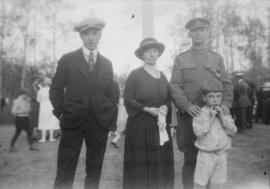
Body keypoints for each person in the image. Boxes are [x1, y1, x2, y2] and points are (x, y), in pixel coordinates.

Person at [49, 17, 118, 189]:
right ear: (81, 36)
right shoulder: (68, 59)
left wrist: (108, 113)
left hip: (98, 123)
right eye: (86, 34)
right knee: (65, 169)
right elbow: (56, 89)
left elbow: (113, 93)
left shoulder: (107, 64)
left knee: (94, 170)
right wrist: (62, 113)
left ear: (100, 35)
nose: (91, 38)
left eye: (95, 33)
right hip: (72, 121)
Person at [169, 18, 233, 189]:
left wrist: (225, 104)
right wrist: (186, 105)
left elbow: (227, 84)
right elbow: (174, 85)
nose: (198, 33)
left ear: (207, 32)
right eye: (194, 31)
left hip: (212, 119)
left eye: (202, 30)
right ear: (189, 34)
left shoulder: (216, 59)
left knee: (213, 159)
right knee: (190, 159)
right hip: (189, 117)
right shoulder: (181, 60)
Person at [123, 38, 174, 189]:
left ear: (158, 54)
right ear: (142, 55)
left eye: (154, 51)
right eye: (148, 51)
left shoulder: (163, 76)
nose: (152, 54)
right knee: (141, 164)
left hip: (160, 126)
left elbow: (169, 98)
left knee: (160, 162)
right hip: (140, 127)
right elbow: (128, 98)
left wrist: (165, 107)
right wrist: (146, 109)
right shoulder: (135, 75)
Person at [192, 78, 237, 189]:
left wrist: (222, 118)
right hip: (205, 154)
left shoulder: (224, 111)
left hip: (221, 154)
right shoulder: (199, 113)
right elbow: (198, 133)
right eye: (211, 96)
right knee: (200, 183)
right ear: (204, 98)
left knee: (219, 184)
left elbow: (233, 131)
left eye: (218, 96)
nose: (215, 100)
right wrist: (211, 119)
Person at [37, 77, 59, 142]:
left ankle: (43, 138)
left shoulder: (40, 90)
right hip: (51, 107)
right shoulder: (53, 90)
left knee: (43, 121)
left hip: (43, 107)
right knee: (51, 121)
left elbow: (38, 100)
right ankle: (51, 137)